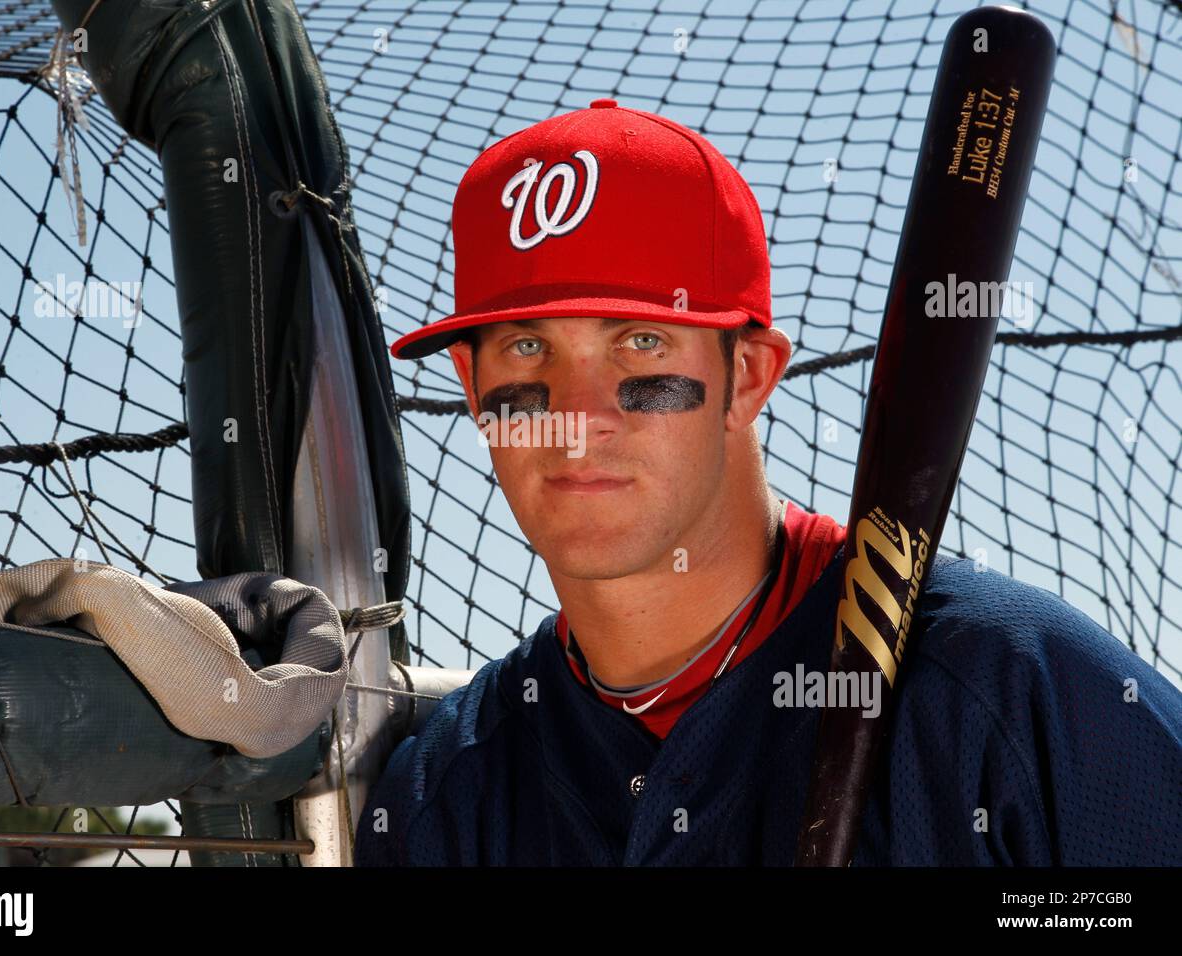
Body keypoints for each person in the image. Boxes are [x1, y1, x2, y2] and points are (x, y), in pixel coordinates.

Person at [355, 99, 1182, 865]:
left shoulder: (1005, 687)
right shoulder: (449, 794)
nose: (578, 416)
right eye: (527, 349)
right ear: (471, 386)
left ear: (748, 375)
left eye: (640, 343)